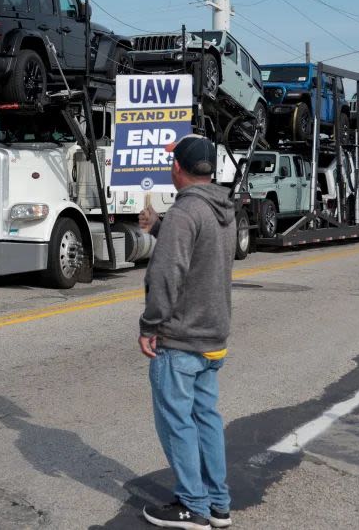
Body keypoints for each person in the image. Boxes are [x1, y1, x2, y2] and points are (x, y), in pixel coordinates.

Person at [136, 135, 235, 530]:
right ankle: (217, 504)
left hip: (181, 338)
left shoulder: (184, 213)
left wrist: (150, 325)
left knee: (177, 421)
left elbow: (166, 274)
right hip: (213, 335)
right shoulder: (223, 208)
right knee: (206, 418)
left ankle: (193, 506)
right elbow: (202, 253)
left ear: (177, 168)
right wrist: (160, 226)